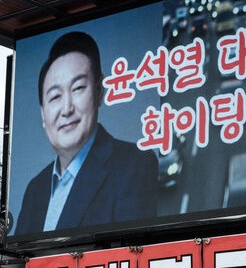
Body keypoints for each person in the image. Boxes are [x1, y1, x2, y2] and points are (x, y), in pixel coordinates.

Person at [15, 31, 158, 235]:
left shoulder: (135, 166)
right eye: (55, 97)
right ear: (43, 115)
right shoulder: (36, 188)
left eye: (78, 88)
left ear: (99, 92)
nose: (66, 109)